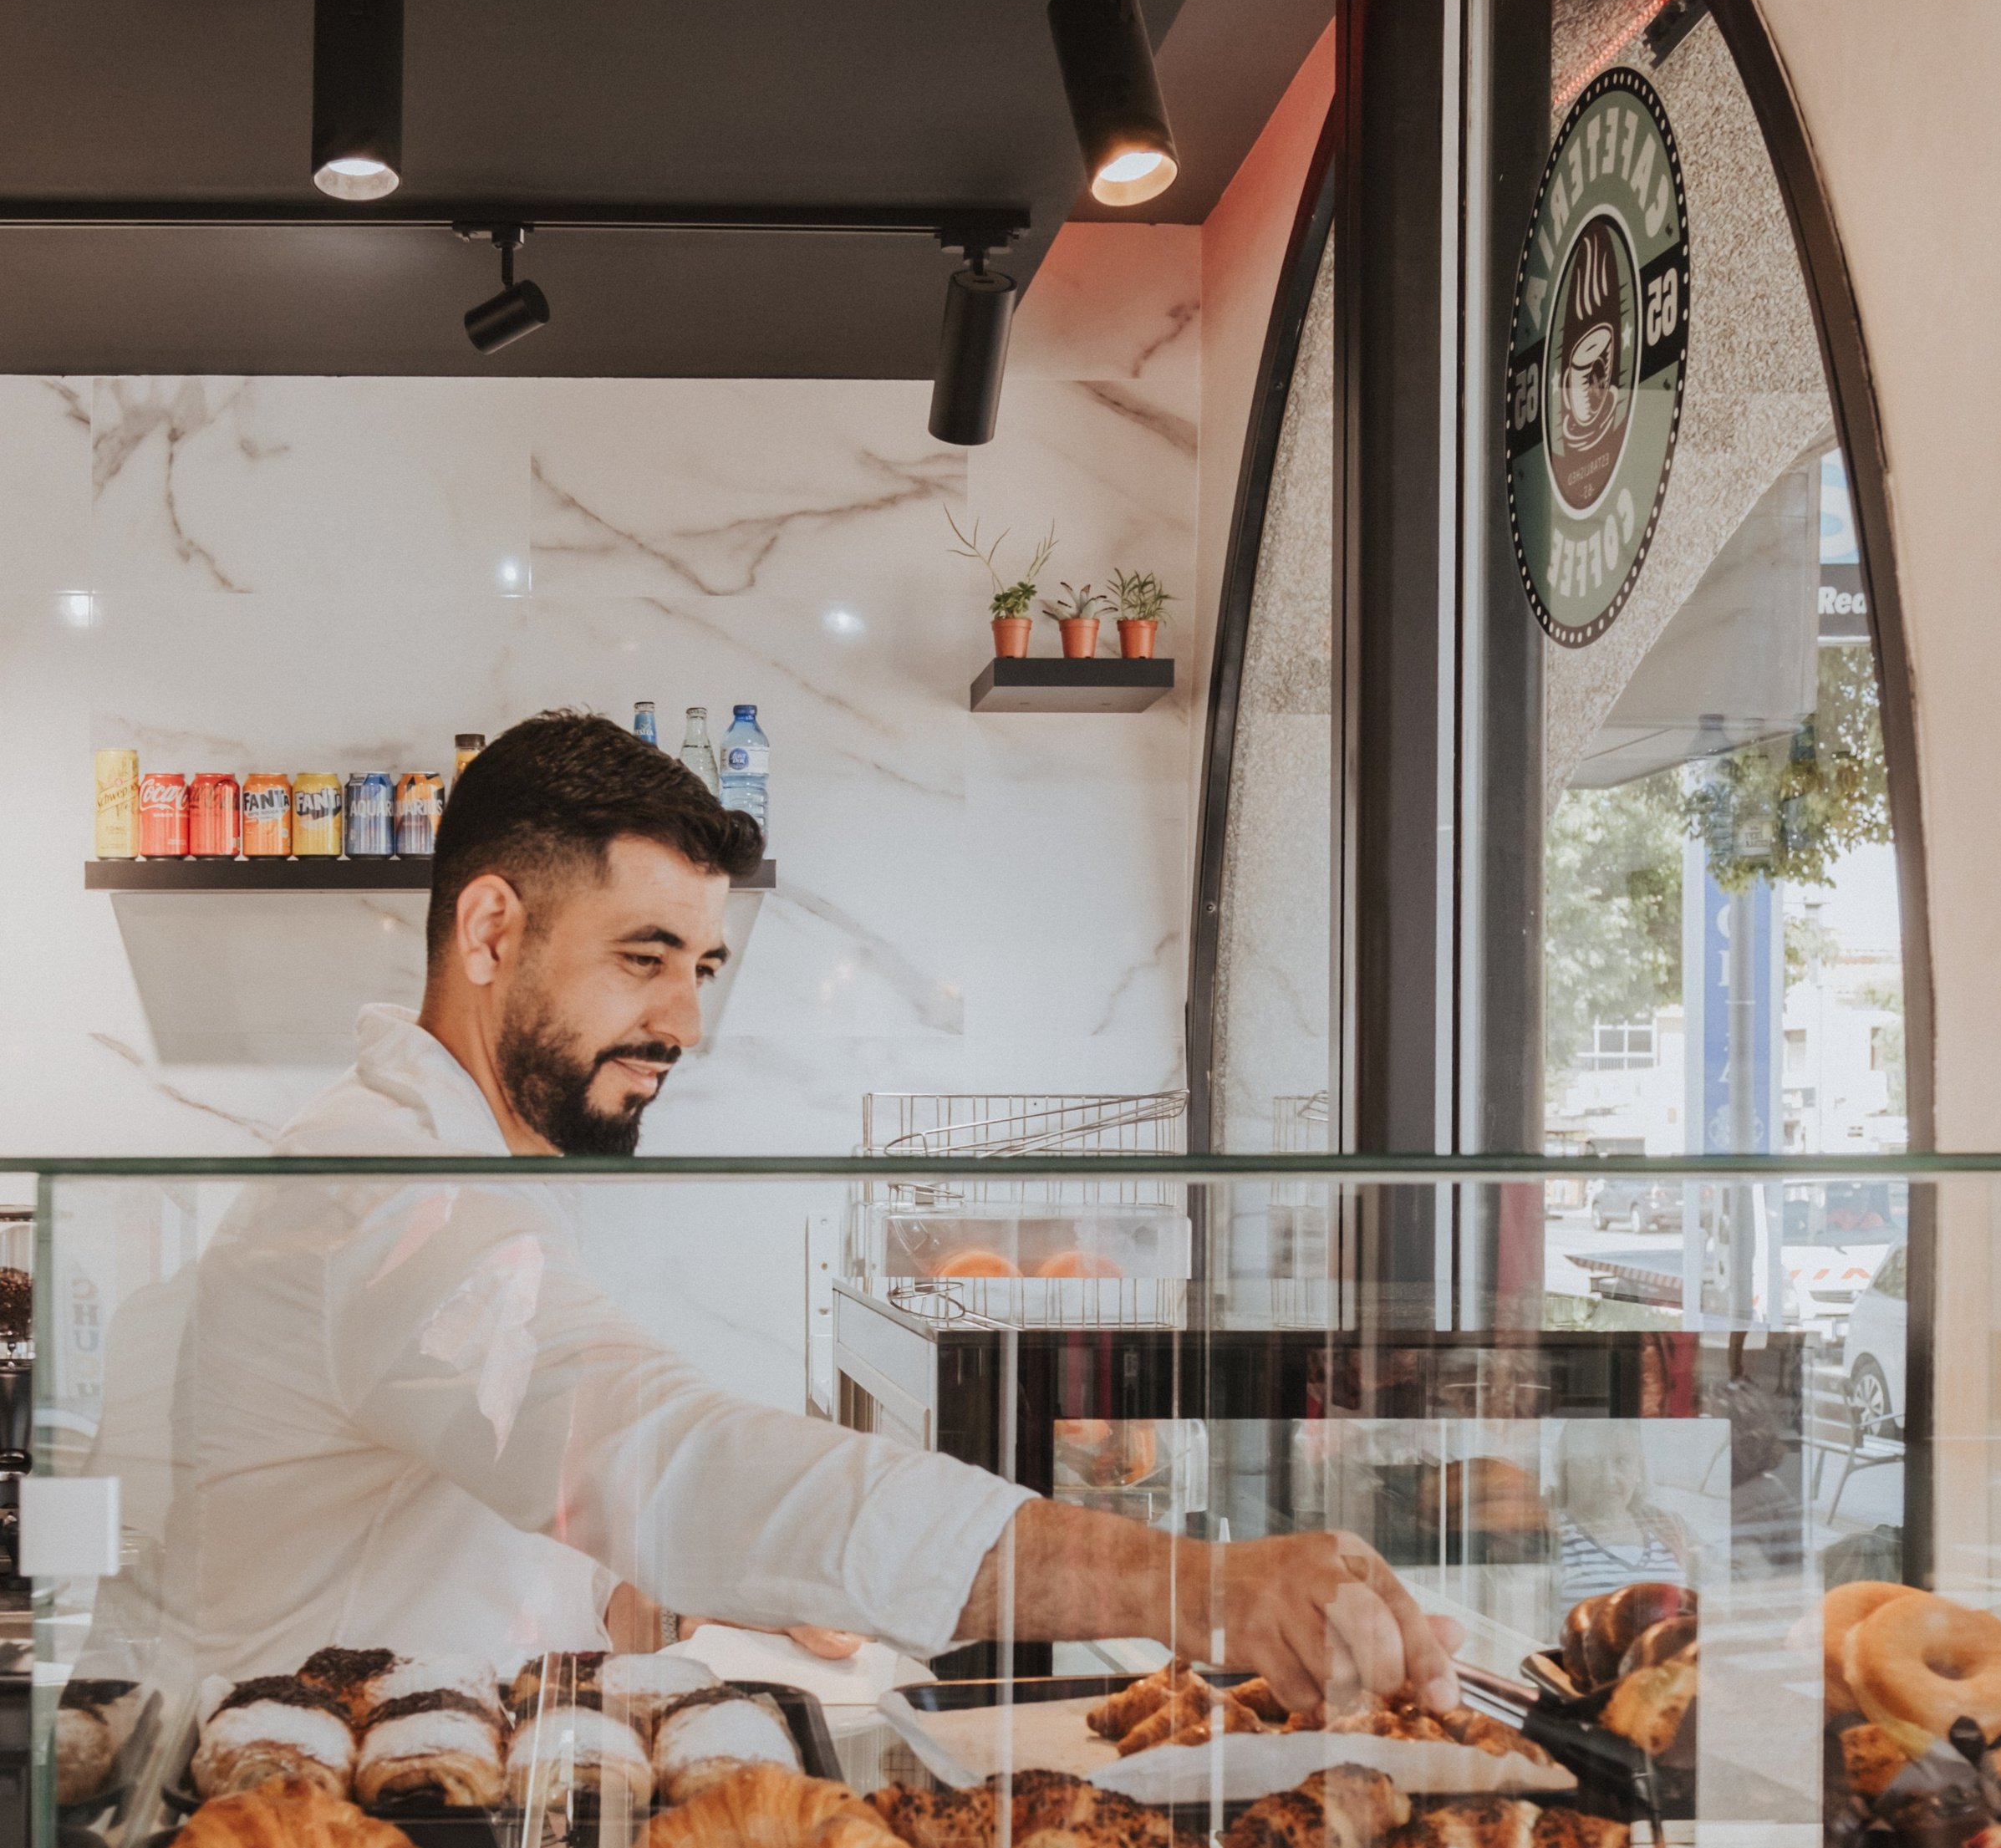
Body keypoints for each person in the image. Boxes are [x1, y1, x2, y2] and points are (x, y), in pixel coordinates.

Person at [154, 710, 1455, 1711]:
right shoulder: (386, 1196)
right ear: (491, 932)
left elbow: (527, 1529)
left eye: (705, 968)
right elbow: (664, 1457)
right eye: (645, 959)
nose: (686, 1026)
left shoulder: (469, 1171)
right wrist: (1197, 1585)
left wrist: (746, 1596)